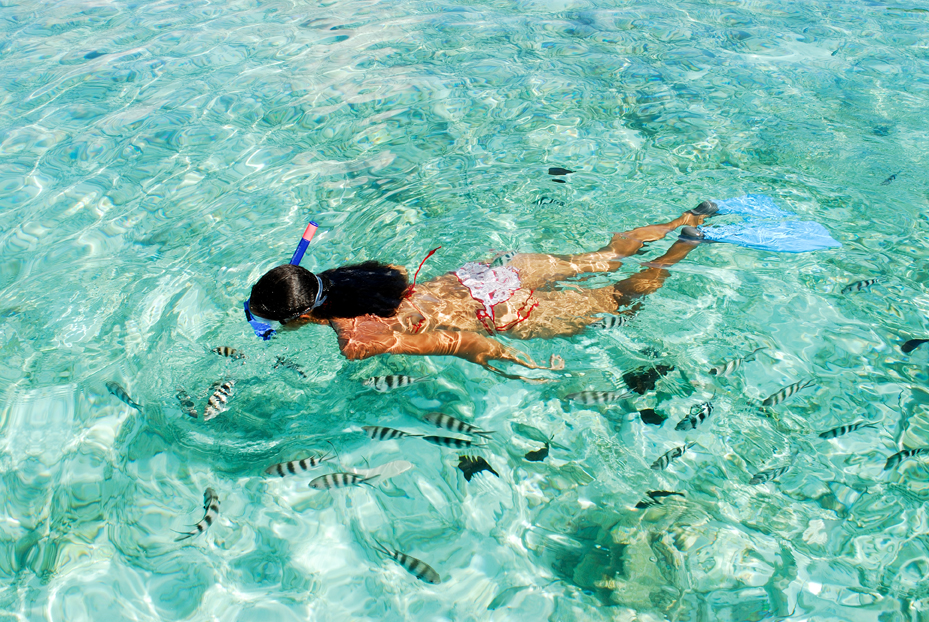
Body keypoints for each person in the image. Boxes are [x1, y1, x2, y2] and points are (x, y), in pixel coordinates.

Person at [246, 202, 719, 378]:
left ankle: (679, 252)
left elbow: (462, 342)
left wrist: (511, 364)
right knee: (601, 257)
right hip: (497, 276)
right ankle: (685, 219)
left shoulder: (359, 342)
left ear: (298, 317)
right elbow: (397, 274)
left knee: (620, 299)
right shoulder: (356, 274)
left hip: (511, 313)